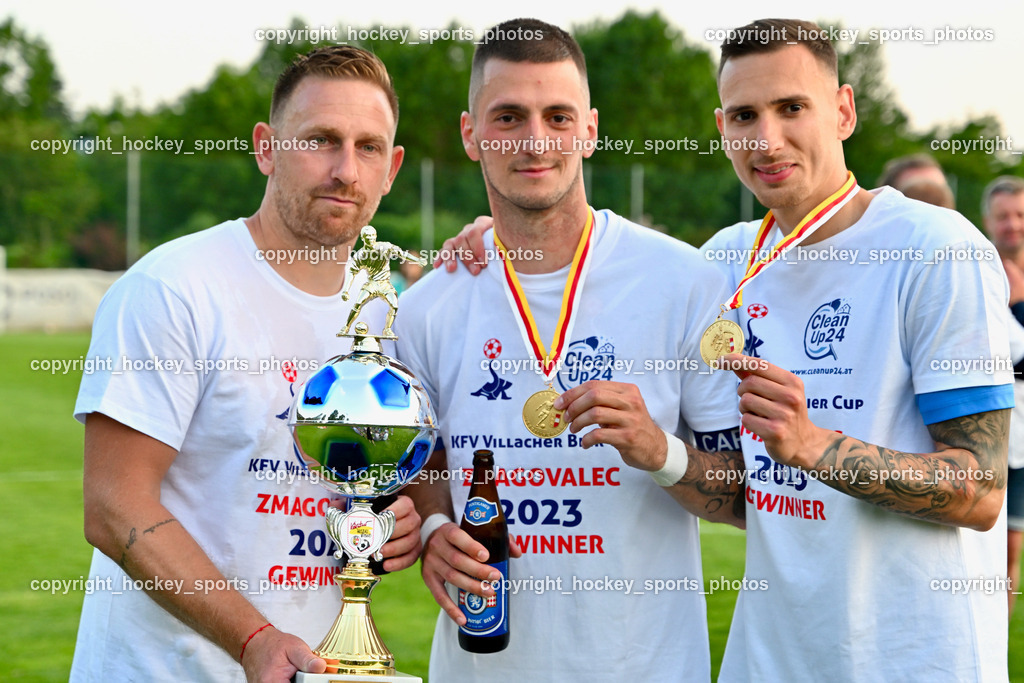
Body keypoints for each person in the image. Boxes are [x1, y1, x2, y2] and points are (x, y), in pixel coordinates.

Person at [395, 18, 743, 682]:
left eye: (557, 116)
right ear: (471, 134)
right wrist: (436, 529)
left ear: (589, 129)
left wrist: (661, 451)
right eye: (508, 117)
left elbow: (747, 496)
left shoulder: (684, 282)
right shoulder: (427, 305)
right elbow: (423, 459)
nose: (535, 140)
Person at [72, 46, 422, 683]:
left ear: (392, 168)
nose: (346, 170)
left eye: (368, 148)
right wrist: (253, 638)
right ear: (266, 148)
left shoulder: (385, 315)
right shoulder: (175, 287)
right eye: (320, 140)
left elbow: (360, 482)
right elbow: (113, 505)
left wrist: (394, 520)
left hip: (312, 669)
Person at [701, 18, 1012, 681]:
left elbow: (980, 490)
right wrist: (495, 247)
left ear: (843, 111)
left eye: (792, 107)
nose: (766, 139)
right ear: (723, 128)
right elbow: (740, 491)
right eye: (744, 115)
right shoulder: (721, 261)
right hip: (768, 660)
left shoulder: (936, 249)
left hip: (912, 661)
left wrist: (812, 444)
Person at [982, 175, 1024, 617]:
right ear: (988, 221)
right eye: (1003, 216)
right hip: (989, 435)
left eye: (1020, 215)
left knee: (1012, 551)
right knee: (985, 553)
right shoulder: (977, 271)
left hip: (1023, 444)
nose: (1012, 225)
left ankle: (997, 638)